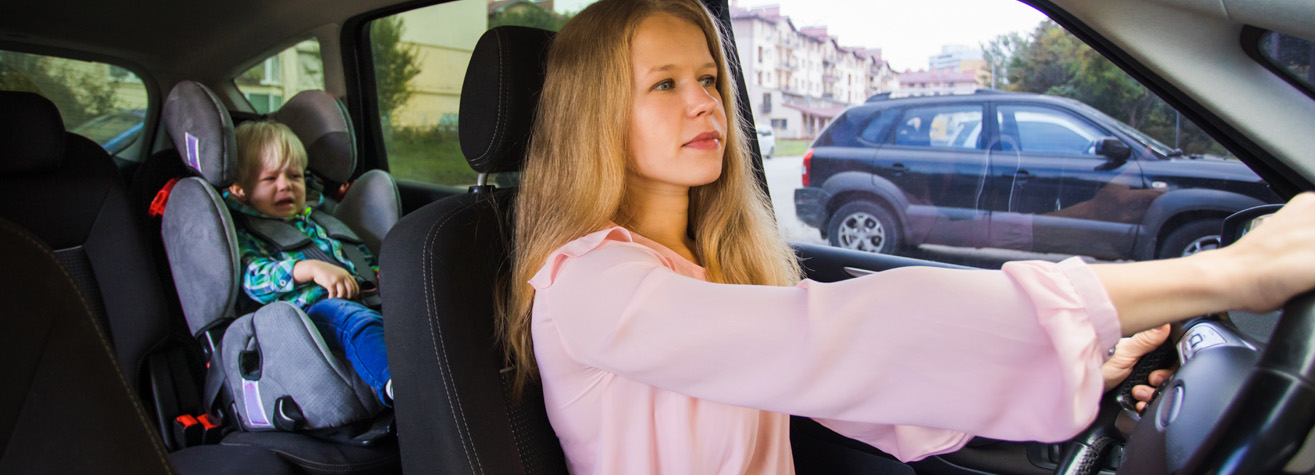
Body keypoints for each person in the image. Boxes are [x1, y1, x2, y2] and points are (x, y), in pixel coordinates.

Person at [501, 0, 1315, 472]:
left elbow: (862, 391)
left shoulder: (708, 270)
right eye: (665, 85)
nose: (704, 104)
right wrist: (1231, 272)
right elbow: (837, 335)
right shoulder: (587, 283)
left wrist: (1082, 362)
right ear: (598, 113)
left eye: (709, 78)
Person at [224, 120, 392, 405]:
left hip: (360, 299)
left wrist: (382, 276)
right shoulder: (245, 233)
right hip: (309, 316)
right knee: (355, 322)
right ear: (241, 189)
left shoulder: (321, 222)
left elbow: (360, 259)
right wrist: (308, 269)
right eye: (270, 179)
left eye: (294, 176)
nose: (285, 186)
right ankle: (397, 385)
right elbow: (253, 279)